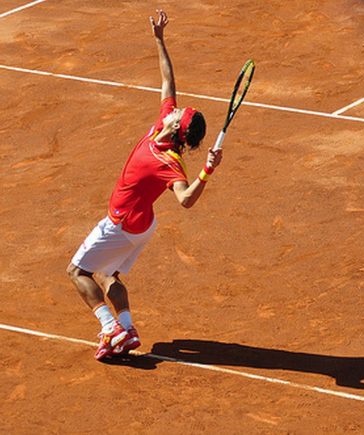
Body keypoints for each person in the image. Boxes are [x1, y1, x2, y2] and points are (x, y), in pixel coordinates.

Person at [66, 9, 222, 360]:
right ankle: (128, 326)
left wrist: (206, 172)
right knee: (108, 275)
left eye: (177, 114)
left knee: (78, 271)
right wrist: (159, 40)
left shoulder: (167, 162)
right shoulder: (163, 125)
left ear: (175, 127)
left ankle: (110, 328)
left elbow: (184, 200)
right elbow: (168, 82)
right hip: (143, 225)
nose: (173, 109)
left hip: (121, 225)